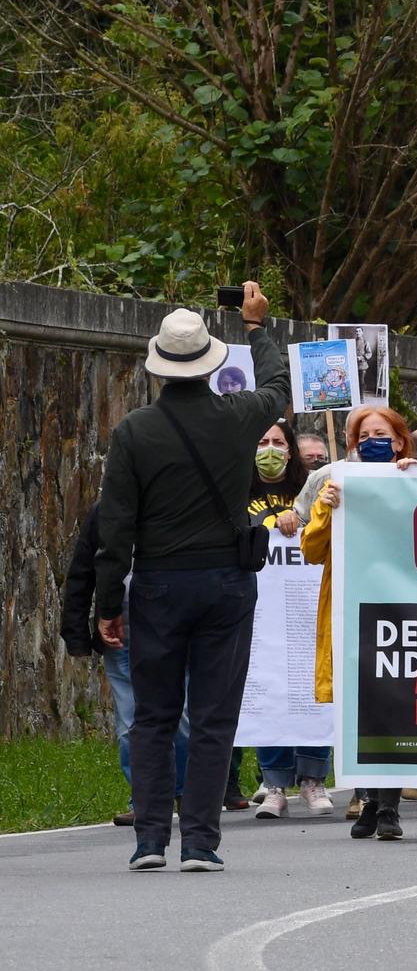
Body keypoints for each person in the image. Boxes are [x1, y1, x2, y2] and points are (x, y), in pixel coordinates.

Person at [96, 286, 290, 871]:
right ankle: (201, 842)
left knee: (153, 716)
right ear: (210, 361)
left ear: (159, 364)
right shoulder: (239, 417)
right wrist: (255, 326)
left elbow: (116, 526)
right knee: (213, 715)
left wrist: (109, 602)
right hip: (227, 583)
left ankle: (150, 840)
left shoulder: (134, 430)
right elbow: (279, 387)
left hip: (156, 584)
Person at [303, 407, 417, 840]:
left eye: (380, 433)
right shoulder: (338, 488)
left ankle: (387, 806)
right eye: (362, 434)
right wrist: (326, 511)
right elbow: (312, 551)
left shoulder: (414, 479)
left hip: (401, 610)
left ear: (398, 441)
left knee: (392, 706)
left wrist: (414, 480)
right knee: (360, 711)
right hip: (353, 610)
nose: (371, 439)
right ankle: (370, 799)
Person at [64, 503, 188, 827]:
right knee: (131, 725)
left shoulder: (183, 505)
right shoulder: (104, 513)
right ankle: (144, 800)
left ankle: (186, 794)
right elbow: (82, 573)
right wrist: (76, 632)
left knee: (184, 721)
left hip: (177, 634)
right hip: (122, 637)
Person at [245, 420, 333, 818]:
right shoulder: (238, 488)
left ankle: (314, 781)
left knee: (313, 689)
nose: (270, 448)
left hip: (308, 606)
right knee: (271, 689)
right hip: (260, 611)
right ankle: (275, 783)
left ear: (292, 449)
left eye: (279, 442)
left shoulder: (310, 485)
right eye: (262, 441)